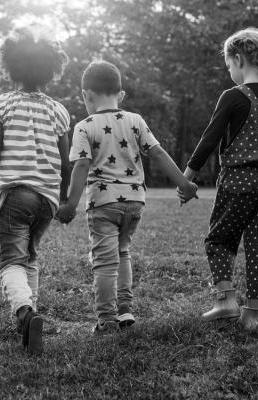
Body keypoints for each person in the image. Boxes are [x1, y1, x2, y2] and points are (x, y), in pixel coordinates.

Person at [57, 60, 198, 334]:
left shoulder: (85, 126)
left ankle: (107, 319)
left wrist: (70, 205)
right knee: (123, 253)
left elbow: (81, 166)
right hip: (134, 203)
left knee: (104, 261)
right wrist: (185, 182)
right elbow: (157, 153)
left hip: (103, 204)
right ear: (120, 95)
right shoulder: (135, 120)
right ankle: (125, 310)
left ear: (86, 95)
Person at [0, 27, 71, 355]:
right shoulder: (59, 111)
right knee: (30, 256)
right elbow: (67, 163)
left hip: (15, 195)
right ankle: (29, 320)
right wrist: (64, 198)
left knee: (10, 259)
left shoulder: (1, 105)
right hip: (47, 200)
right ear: (51, 70)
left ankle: (25, 313)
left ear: (10, 66)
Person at [181, 28, 258, 330]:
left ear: (238, 59)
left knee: (220, 239)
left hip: (238, 180)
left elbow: (209, 140)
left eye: (228, 66)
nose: (229, 72)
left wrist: (187, 179)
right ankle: (253, 315)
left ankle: (225, 301)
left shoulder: (233, 96)